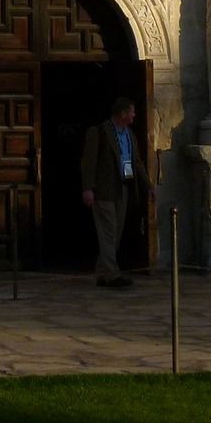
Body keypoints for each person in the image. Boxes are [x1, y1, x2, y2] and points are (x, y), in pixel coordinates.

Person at [81, 96, 149, 289]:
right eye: (131, 111)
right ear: (122, 113)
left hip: (123, 187)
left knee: (115, 233)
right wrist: (88, 188)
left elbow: (137, 162)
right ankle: (112, 274)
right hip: (104, 190)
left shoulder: (130, 135)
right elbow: (88, 162)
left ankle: (102, 273)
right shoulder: (99, 132)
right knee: (108, 232)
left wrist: (148, 185)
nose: (134, 115)